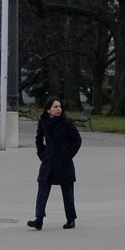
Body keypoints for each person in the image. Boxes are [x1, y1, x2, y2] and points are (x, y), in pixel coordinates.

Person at [28, 96, 82, 230]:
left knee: (67, 190)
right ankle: (39, 218)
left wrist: (68, 155)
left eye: (60, 107)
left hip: (64, 161)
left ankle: (71, 219)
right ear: (48, 110)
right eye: (55, 107)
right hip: (49, 160)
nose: (58, 109)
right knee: (43, 187)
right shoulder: (43, 121)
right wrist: (42, 154)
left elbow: (77, 140)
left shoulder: (67, 122)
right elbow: (39, 139)